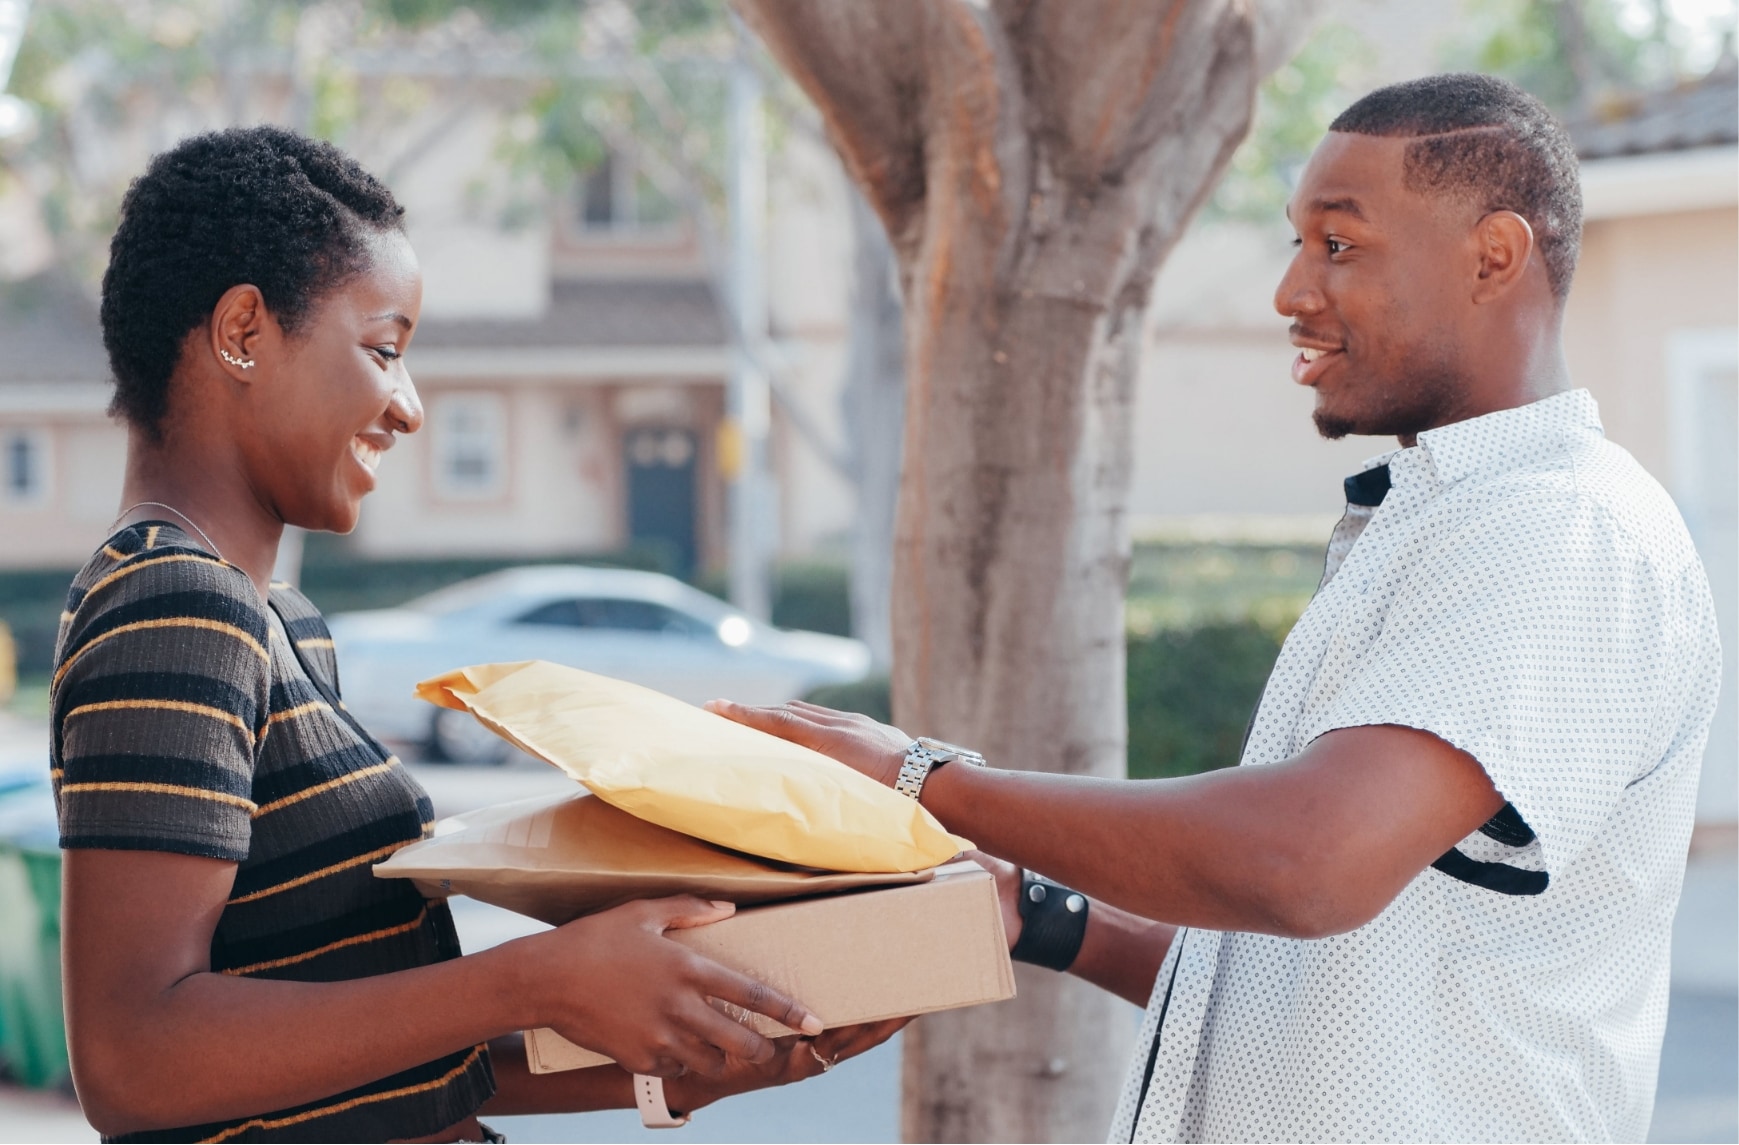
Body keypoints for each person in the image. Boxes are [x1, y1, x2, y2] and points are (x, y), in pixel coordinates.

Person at [710, 74, 1722, 1143]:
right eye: (1297, 243)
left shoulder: (1559, 527)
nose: (1290, 291)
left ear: (1492, 256)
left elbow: (1306, 863)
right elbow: (1311, 1000)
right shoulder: (1451, 521)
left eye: (1338, 245)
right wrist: (1040, 913)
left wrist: (921, 779)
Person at [54, 125, 900, 1144]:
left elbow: (373, 1060)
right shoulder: (172, 604)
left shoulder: (280, 622)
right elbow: (134, 1059)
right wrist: (536, 976)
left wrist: (676, 1061)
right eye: (384, 349)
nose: (408, 408)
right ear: (243, 331)